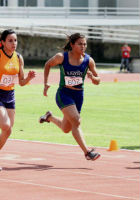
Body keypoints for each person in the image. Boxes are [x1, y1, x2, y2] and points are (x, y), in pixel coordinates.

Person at [39, 33, 101, 161]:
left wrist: (92, 77)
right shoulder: (61, 57)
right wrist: (45, 84)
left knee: (66, 128)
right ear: (72, 45)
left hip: (78, 96)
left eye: (85, 44)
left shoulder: (88, 60)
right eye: (80, 44)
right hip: (64, 94)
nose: (83, 46)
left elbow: (98, 80)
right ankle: (87, 152)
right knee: (76, 121)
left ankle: (49, 117)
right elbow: (47, 65)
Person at [0, 29, 36, 171]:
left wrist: (29, 78)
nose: (14, 43)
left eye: (15, 40)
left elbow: (22, 82)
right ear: (3, 42)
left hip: (10, 96)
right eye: (10, 40)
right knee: (5, 126)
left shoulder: (18, 58)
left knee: (8, 131)